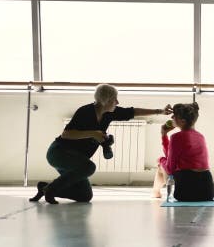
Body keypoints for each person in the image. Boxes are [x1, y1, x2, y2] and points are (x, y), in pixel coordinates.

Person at [29, 84, 172, 204]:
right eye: (114, 99)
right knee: (89, 167)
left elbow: (133, 112)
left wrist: (160, 111)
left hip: (75, 160)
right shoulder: (85, 111)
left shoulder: (109, 113)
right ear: (106, 100)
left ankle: (45, 187)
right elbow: (67, 134)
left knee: (84, 196)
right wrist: (93, 133)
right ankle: (51, 190)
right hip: (59, 153)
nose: (117, 102)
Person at [152, 102, 214, 201]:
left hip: (185, 193)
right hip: (208, 193)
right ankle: (155, 192)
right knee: (165, 163)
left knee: (161, 164)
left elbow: (170, 169)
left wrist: (160, 159)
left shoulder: (176, 137)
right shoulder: (201, 136)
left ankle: (155, 192)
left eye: (174, 116)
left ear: (182, 121)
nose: (172, 117)